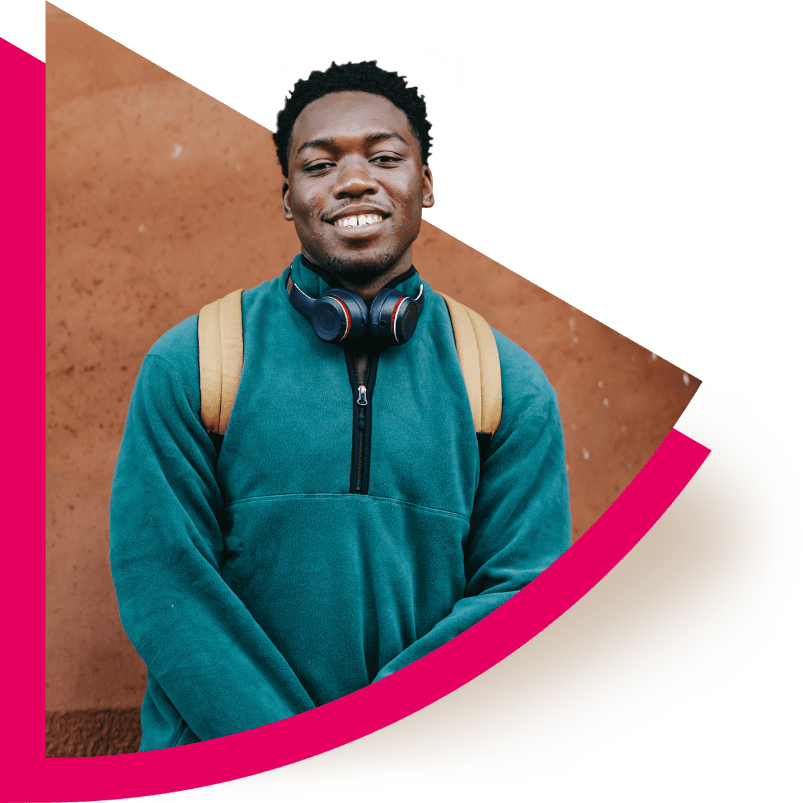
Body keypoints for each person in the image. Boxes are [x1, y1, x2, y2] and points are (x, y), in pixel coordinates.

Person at [110, 59, 571, 751]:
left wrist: (373, 746)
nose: (354, 181)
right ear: (287, 196)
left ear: (426, 183)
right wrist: (292, 759)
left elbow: (522, 593)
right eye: (319, 165)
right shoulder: (193, 363)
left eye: (384, 157)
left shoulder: (506, 385)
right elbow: (162, 578)